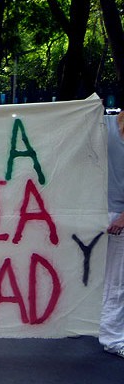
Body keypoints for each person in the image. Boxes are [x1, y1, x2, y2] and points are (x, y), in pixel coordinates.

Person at [101, 111, 124, 358]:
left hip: (118, 214)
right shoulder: (105, 124)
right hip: (94, 211)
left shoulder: (107, 125)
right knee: (83, 275)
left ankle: (112, 337)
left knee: (115, 280)